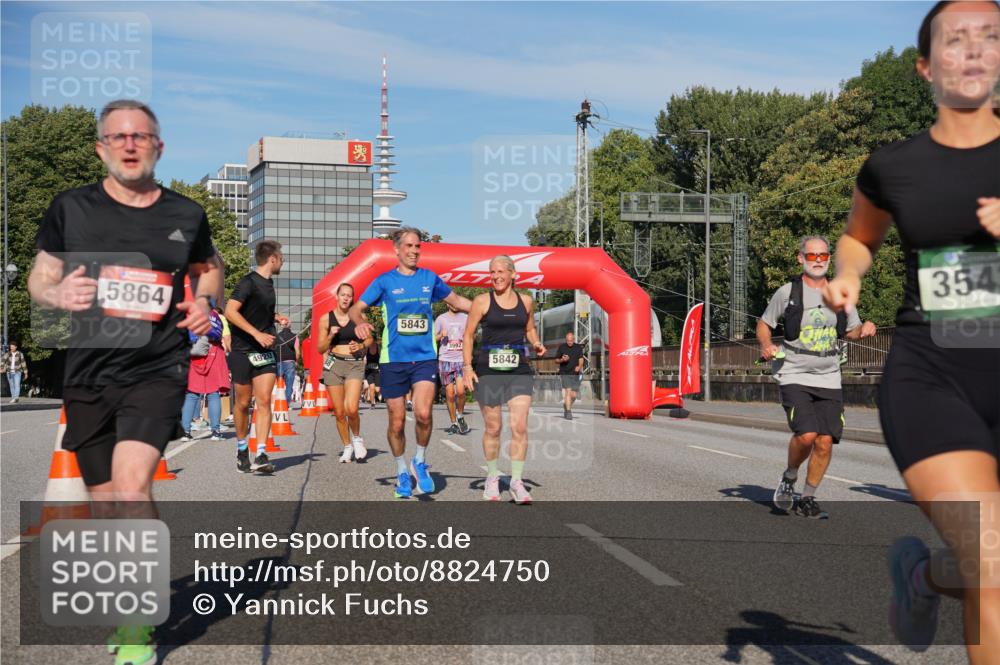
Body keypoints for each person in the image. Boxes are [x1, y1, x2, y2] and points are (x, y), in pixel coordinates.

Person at [823, 2, 1000, 659]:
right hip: (935, 368)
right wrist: (849, 275)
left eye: (990, 37)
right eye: (957, 40)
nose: (976, 49)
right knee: (990, 552)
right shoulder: (893, 166)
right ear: (927, 66)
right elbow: (858, 237)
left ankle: (922, 577)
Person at [27, 99, 223, 665]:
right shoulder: (71, 208)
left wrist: (204, 301)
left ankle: (140, 620)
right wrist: (56, 293)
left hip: (157, 368)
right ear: (102, 148)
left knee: (133, 488)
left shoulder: (185, 213)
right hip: (88, 374)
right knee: (108, 504)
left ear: (158, 147)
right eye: (118, 136)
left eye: (142, 135)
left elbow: (207, 267)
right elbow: (41, 275)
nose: (130, 143)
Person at [757, 236, 876, 519]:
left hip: (829, 375)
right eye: (812, 256)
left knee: (825, 440)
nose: (819, 260)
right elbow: (764, 324)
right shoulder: (787, 293)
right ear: (801, 259)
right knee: (807, 433)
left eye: (823, 256)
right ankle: (789, 477)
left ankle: (807, 497)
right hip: (795, 372)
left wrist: (864, 330)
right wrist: (766, 345)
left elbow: (850, 331)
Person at [351, 227, 471, 498]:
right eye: (409, 246)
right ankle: (401, 471)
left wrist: (486, 307)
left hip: (424, 358)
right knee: (396, 422)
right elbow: (356, 309)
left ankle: (420, 458)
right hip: (393, 360)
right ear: (397, 249)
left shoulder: (430, 278)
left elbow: (457, 301)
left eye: (418, 246)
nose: (415, 251)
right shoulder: (384, 282)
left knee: (424, 414)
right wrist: (360, 324)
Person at [463, 256, 547, 503]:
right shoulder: (482, 301)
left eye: (501, 271)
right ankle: (491, 478)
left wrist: (536, 342)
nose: (496, 276)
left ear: (513, 274)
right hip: (488, 371)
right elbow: (468, 336)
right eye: (492, 272)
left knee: (519, 426)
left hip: (518, 369)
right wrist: (467, 367)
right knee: (493, 427)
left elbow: (529, 329)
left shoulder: (526, 301)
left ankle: (517, 482)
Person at [225, 240, 287, 475]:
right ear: (272, 259)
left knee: (263, 400)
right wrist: (256, 333)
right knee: (242, 403)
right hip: (243, 350)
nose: (282, 261)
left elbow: (260, 312)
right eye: (281, 258)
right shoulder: (248, 282)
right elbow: (231, 311)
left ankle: (260, 453)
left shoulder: (269, 284)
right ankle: (242, 450)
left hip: (265, 351)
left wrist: (276, 318)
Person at [317, 282, 371, 463]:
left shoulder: (358, 316)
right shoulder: (326, 319)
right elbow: (320, 348)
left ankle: (356, 438)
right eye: (343, 295)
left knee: (351, 408)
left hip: (354, 364)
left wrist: (361, 345)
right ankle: (347, 446)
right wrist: (331, 335)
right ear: (337, 296)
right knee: (339, 412)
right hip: (334, 365)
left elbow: (370, 339)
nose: (346, 298)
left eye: (349, 295)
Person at [180, 309, 229, 441]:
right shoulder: (216, 316)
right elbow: (224, 336)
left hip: (195, 354)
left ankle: (186, 432)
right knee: (213, 394)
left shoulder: (190, 314)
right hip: (214, 352)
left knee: (191, 395)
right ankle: (215, 432)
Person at [435, 302, 471, 435]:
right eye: (451, 303)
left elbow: (471, 336)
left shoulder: (465, 318)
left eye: (456, 302)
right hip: (445, 359)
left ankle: (460, 415)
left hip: (461, 359)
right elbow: (433, 338)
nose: (454, 305)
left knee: (461, 391)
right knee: (450, 394)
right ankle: (453, 422)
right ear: (447, 304)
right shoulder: (441, 319)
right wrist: (440, 336)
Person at [555, 331, 585, 419]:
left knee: (574, 395)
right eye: (568, 340)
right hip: (565, 373)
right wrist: (562, 360)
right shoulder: (562, 347)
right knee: (568, 391)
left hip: (575, 373)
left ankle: (566, 406)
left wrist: (579, 367)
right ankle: (568, 412)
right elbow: (556, 360)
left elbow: (581, 359)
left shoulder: (578, 347)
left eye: (571, 340)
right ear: (566, 340)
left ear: (573, 339)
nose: (569, 342)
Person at [274, 319, 299, 407]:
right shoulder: (294, 336)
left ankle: (279, 402)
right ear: (289, 325)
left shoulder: (277, 336)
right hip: (290, 362)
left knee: (279, 383)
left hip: (279, 361)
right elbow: (297, 351)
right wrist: (297, 361)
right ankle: (286, 404)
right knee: (289, 384)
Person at [363, 337, 381, 408]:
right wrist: (364, 363)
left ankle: (374, 397)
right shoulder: (367, 348)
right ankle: (372, 403)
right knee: (372, 387)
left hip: (377, 371)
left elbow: (381, 357)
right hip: (369, 371)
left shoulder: (378, 348)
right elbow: (363, 357)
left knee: (377, 389)